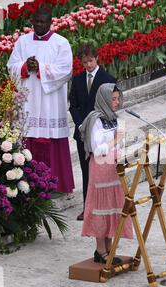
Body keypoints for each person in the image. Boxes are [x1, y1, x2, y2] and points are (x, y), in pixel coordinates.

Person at [7, 8, 74, 194]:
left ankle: (57, 185)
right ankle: (29, 186)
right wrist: (24, 67)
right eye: (36, 21)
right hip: (29, 100)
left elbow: (65, 70)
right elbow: (11, 65)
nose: (38, 25)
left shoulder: (61, 43)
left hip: (51, 102)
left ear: (50, 22)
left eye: (43, 22)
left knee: (52, 141)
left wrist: (41, 68)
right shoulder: (23, 41)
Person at [79, 83, 133, 265]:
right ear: (104, 99)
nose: (117, 102)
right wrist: (116, 140)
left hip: (114, 169)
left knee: (112, 208)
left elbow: (117, 144)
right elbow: (97, 149)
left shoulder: (115, 118)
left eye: (118, 98)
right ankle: (100, 250)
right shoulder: (95, 120)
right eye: (113, 99)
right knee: (101, 209)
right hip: (101, 169)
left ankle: (110, 248)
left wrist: (122, 151)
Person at [70, 44, 116, 221]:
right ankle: (87, 208)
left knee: (103, 170)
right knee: (86, 170)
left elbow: (112, 107)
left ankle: (104, 206)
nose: (88, 65)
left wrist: (97, 125)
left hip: (102, 132)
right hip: (82, 133)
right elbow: (73, 105)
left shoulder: (108, 79)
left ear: (97, 58)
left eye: (90, 61)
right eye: (84, 62)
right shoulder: (78, 80)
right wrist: (82, 124)